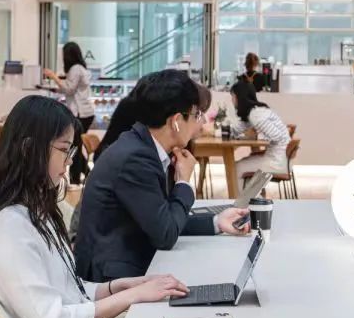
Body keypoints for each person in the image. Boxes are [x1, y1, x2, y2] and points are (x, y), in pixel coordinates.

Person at [0, 95, 253, 318]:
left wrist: (116, 287)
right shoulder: (9, 229)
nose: (69, 163)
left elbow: (65, 289)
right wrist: (132, 295)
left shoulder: (28, 212)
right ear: (28, 149)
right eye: (64, 150)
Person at [75, 70, 250, 283]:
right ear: (176, 121)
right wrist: (183, 182)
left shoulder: (143, 147)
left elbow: (163, 218)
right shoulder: (136, 158)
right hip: (112, 277)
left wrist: (216, 222)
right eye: (196, 115)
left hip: (127, 262)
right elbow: (165, 234)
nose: (201, 122)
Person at [44, 42, 96, 188]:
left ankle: (76, 180)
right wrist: (55, 89)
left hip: (80, 113)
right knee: (76, 146)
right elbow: (71, 89)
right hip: (85, 112)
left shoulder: (75, 69)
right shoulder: (81, 68)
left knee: (74, 148)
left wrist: (53, 76)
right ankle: (86, 175)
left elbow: (70, 89)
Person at [229, 81, 290, 192]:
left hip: (277, 161)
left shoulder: (256, 115)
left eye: (232, 97)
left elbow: (277, 136)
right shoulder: (255, 111)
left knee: (237, 167)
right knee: (242, 164)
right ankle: (251, 199)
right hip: (280, 159)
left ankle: (242, 201)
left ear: (239, 97)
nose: (232, 100)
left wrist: (258, 135)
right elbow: (235, 130)